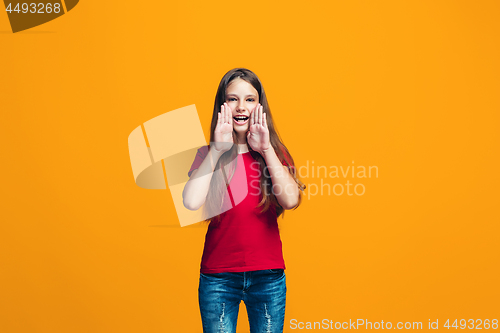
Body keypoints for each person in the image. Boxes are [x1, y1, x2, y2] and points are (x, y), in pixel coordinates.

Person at [182, 68, 305, 333]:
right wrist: (217, 150)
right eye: (232, 99)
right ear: (222, 105)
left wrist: (267, 149)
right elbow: (191, 202)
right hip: (218, 277)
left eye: (250, 99)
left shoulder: (274, 153)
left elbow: (291, 199)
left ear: (260, 106)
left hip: (267, 277)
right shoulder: (207, 155)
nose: (241, 106)